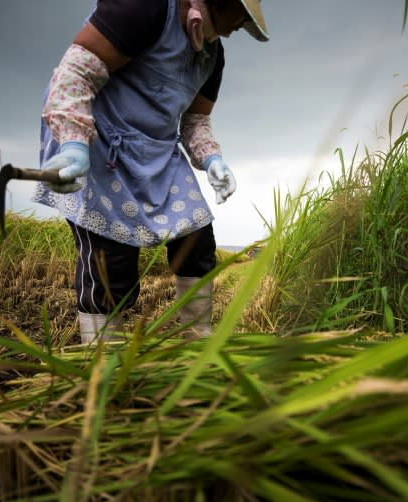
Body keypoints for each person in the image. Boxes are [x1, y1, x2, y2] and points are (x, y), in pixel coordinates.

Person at [32, 0, 269, 344]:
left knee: (197, 237)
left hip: (156, 152)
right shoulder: (146, 7)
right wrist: (73, 143)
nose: (240, 26)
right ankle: (103, 360)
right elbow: (75, 74)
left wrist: (212, 159)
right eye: (242, 15)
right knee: (111, 263)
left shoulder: (213, 55)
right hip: (99, 142)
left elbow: (195, 121)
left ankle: (195, 341)